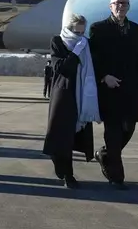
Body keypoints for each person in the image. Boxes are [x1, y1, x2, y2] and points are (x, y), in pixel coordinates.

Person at [88, 0, 138, 190]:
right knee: (113, 133)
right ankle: (117, 176)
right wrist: (103, 76)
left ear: (128, 6)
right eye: (117, 3)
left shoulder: (136, 29)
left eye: (124, 3)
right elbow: (93, 60)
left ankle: (105, 154)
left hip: (131, 89)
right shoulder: (98, 29)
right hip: (110, 90)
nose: (121, 6)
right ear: (110, 6)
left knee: (129, 128)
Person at [42, 13, 100, 189]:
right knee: (62, 135)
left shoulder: (86, 44)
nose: (79, 36)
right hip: (64, 95)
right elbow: (60, 68)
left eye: (82, 33)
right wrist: (75, 53)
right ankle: (67, 174)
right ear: (68, 29)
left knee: (75, 136)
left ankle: (64, 168)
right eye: (76, 32)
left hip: (82, 93)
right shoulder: (58, 41)